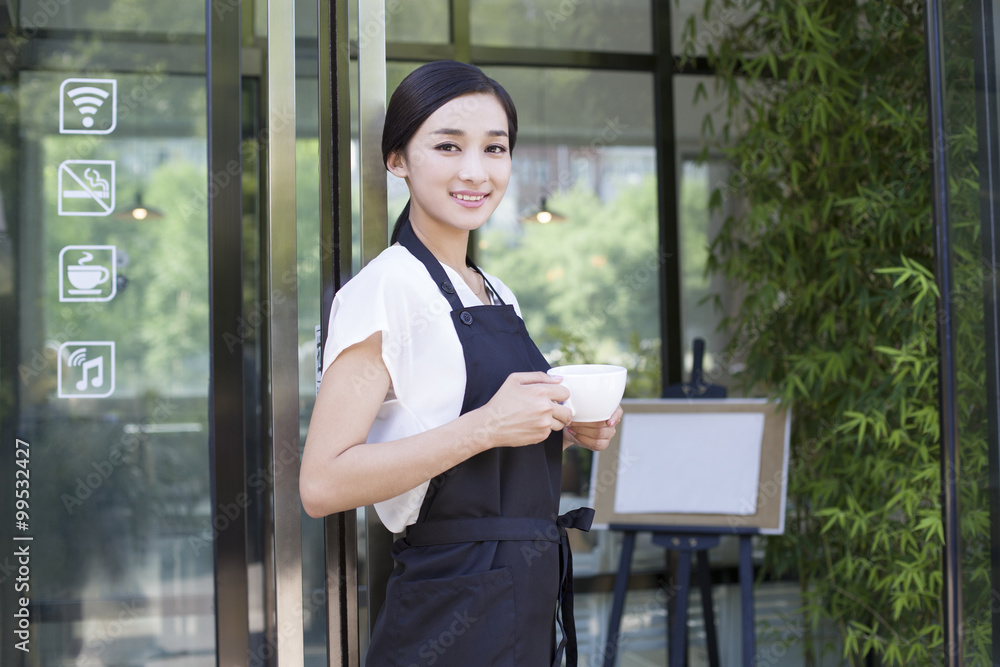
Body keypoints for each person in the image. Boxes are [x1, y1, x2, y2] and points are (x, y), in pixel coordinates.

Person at [300, 60, 623, 667]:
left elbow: (462, 435)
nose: (475, 171)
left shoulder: (494, 289)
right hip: (451, 604)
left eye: (494, 148)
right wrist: (489, 426)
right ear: (398, 159)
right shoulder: (384, 289)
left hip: (525, 593)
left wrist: (564, 431)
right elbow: (322, 484)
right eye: (447, 146)